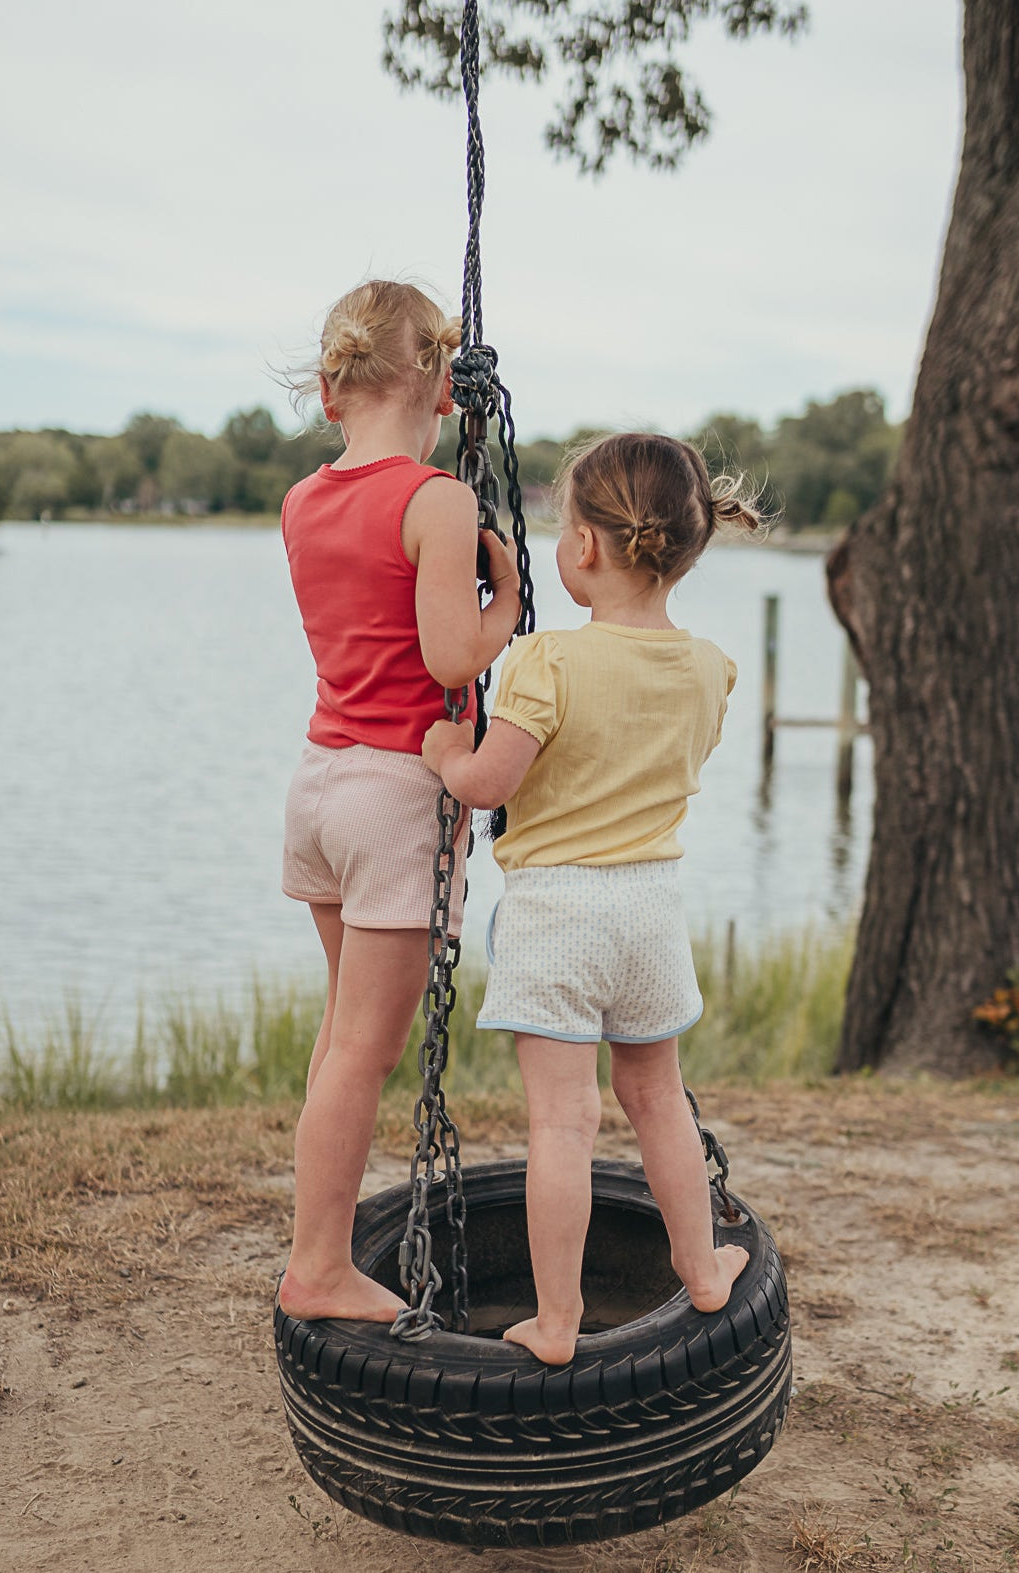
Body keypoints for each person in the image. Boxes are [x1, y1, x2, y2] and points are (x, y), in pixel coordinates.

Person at [422, 431, 761, 1364]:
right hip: (652, 909)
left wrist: (445, 751)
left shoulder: (547, 665)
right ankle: (699, 1267)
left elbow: (489, 782)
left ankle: (559, 1319)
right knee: (659, 1097)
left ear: (582, 548)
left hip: (557, 914)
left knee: (562, 1123)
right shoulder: (711, 668)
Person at [277, 280, 521, 1324]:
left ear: (330, 393)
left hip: (320, 780)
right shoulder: (435, 500)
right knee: (364, 1055)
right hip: (392, 793)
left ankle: (316, 1252)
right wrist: (503, 602)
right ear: (442, 387)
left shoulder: (301, 500)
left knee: (342, 1039)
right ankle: (319, 1267)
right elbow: (446, 653)